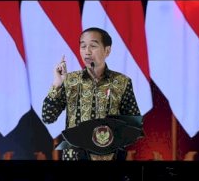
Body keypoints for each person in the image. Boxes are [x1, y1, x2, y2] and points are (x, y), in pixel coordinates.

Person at [42, 27, 141, 160]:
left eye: (93, 46)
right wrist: (57, 84)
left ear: (107, 50)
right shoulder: (69, 81)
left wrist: (110, 136)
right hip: (75, 157)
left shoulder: (122, 82)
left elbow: (134, 124)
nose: (87, 52)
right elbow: (48, 117)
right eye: (83, 46)